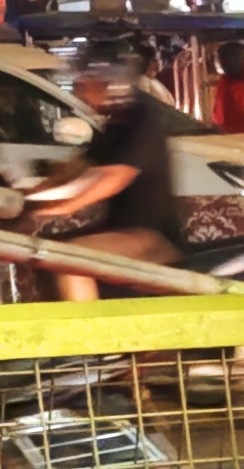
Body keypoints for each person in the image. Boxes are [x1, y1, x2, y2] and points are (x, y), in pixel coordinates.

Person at [22, 60, 191, 299]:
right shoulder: (116, 122)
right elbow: (79, 167)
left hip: (150, 237)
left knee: (67, 261)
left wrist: (61, 208)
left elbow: (115, 177)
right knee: (44, 251)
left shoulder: (140, 119)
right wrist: (31, 196)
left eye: (84, 88)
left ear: (106, 83)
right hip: (120, 230)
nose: (83, 98)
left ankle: (88, 332)